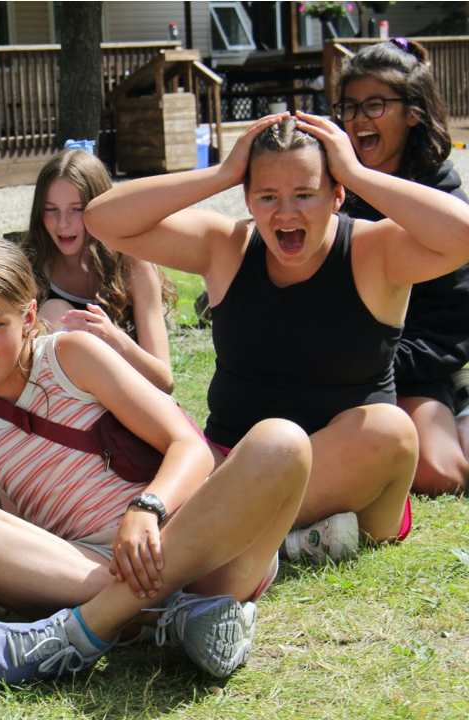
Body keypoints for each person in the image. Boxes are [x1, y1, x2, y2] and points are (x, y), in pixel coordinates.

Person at [0, 237, 312, 686]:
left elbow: (190, 445)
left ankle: (89, 629)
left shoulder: (72, 357)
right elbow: (13, 569)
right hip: (96, 570)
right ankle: (174, 616)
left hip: (204, 551)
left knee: (283, 441)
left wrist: (148, 507)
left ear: (27, 317)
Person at [84, 112, 469, 563]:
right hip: (236, 466)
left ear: (337, 194)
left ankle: (207, 539)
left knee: (390, 430)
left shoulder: (375, 250)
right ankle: (280, 541)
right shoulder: (225, 246)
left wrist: (359, 172)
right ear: (247, 199)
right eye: (268, 196)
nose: (286, 212)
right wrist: (222, 173)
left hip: (353, 475)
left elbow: (461, 235)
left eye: (306, 194)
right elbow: (103, 218)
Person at [334, 37, 469, 496]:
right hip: (332, 364)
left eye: (374, 105)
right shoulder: (328, 189)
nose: (357, 120)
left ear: (413, 112)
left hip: (414, 363)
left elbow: (448, 330)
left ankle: (462, 404)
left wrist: (373, 364)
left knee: (440, 474)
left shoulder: (444, 205)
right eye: (349, 107)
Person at [21, 149, 175, 392]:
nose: (63, 223)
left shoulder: (134, 265)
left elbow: (164, 381)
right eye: (51, 210)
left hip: (133, 400)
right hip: (65, 406)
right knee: (53, 310)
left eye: (77, 209)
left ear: (101, 207)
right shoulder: (30, 267)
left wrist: (114, 340)